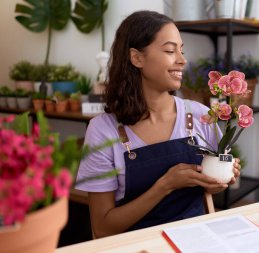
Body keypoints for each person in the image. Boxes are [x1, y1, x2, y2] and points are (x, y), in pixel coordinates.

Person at [76, 10, 241, 239]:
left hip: (194, 240)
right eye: (170, 50)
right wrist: (165, 185)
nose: (182, 60)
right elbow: (103, 228)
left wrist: (222, 177)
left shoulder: (201, 115)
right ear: (137, 58)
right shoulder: (103, 130)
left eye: (181, 50)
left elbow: (210, 187)